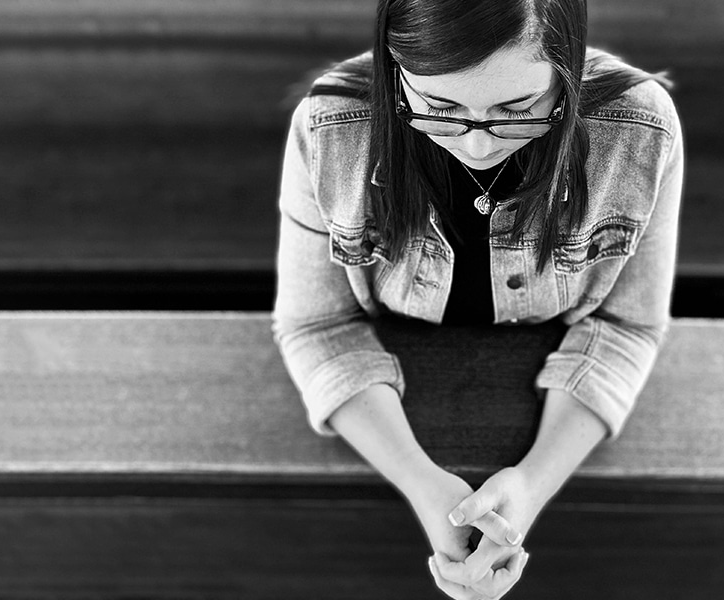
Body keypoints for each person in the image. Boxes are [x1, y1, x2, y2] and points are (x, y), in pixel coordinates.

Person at [272, 0, 683, 597]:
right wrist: (423, 483)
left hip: (560, 412)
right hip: (392, 412)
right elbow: (316, 324)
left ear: (566, 73)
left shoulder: (638, 127)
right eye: (439, 108)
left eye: (517, 111)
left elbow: (627, 324)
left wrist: (531, 485)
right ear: (396, 74)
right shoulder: (332, 124)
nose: (479, 144)